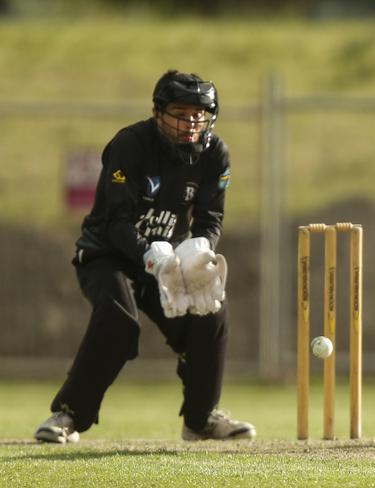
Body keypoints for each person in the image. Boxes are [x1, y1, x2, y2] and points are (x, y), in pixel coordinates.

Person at [34, 69, 255, 443]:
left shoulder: (216, 153)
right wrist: (150, 256)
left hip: (171, 260)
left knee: (211, 313)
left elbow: (210, 218)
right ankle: (68, 415)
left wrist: (200, 250)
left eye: (199, 114)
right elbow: (116, 222)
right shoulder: (130, 145)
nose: (191, 123)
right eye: (181, 113)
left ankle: (200, 419)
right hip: (108, 254)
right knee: (119, 320)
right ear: (158, 113)